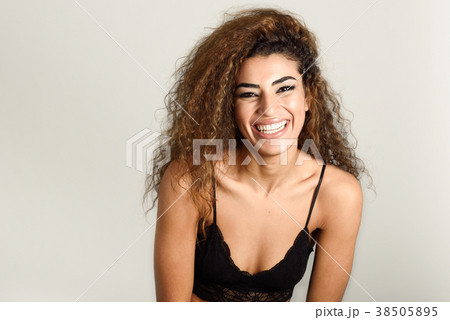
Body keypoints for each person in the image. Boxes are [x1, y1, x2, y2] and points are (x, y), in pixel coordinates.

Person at [144, 8, 371, 302]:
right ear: (229, 106)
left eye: (285, 88)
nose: (268, 109)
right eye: (248, 94)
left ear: (308, 97)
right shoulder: (189, 180)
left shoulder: (339, 194)